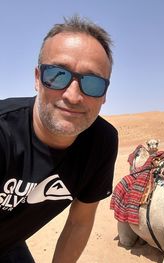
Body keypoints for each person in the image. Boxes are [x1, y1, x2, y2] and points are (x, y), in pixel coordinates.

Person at [0, 15, 118, 262]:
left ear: (104, 95)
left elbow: (79, 223)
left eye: (93, 83)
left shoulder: (101, 143)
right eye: (57, 75)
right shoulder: (4, 132)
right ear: (36, 79)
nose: (73, 96)